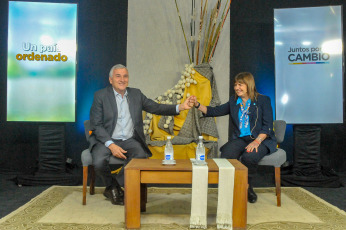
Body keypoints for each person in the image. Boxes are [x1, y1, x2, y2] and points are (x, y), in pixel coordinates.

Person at [89, 64, 194, 205]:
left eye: (125, 76)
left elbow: (155, 107)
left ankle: (114, 186)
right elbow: (96, 125)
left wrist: (180, 107)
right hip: (106, 140)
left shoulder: (136, 94)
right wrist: (111, 145)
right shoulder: (100, 96)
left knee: (140, 156)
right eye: (118, 76)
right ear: (110, 80)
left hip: (129, 139)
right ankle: (113, 187)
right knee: (98, 162)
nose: (122, 79)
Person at [191, 72, 276, 203]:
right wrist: (197, 105)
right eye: (235, 85)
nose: (237, 88)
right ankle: (229, 187)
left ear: (249, 85)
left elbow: (267, 126)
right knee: (226, 153)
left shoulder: (263, 100)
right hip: (241, 138)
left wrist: (257, 141)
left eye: (240, 84)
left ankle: (248, 187)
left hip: (262, 138)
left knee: (249, 156)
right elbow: (214, 111)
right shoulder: (233, 101)